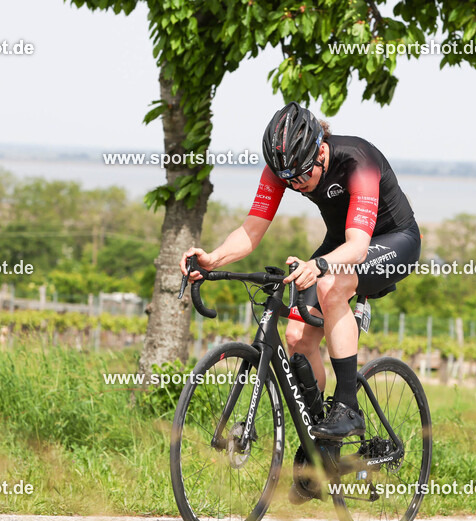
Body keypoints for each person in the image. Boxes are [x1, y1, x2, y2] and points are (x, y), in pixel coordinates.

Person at [179, 101, 421, 442]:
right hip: (341, 242)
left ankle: (348, 407)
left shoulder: (357, 161)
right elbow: (252, 230)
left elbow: (357, 247)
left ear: (321, 151)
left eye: (303, 174)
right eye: (287, 179)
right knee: (296, 337)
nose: (296, 184)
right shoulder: (285, 169)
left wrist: (320, 265)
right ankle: (321, 442)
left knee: (331, 285)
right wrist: (213, 259)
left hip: (392, 242)